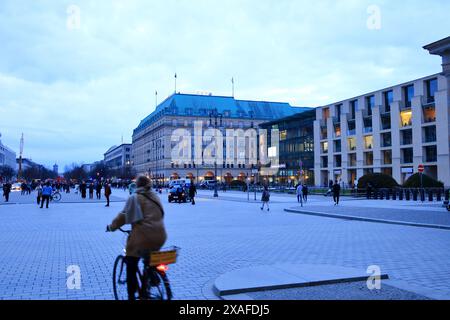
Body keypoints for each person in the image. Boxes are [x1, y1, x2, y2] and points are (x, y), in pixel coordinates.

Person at [106, 176, 167, 300]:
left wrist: (111, 227)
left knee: (131, 264)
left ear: (137, 185)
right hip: (160, 236)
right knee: (148, 258)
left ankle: (131, 295)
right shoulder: (155, 196)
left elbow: (123, 217)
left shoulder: (135, 197)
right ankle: (152, 276)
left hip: (142, 237)